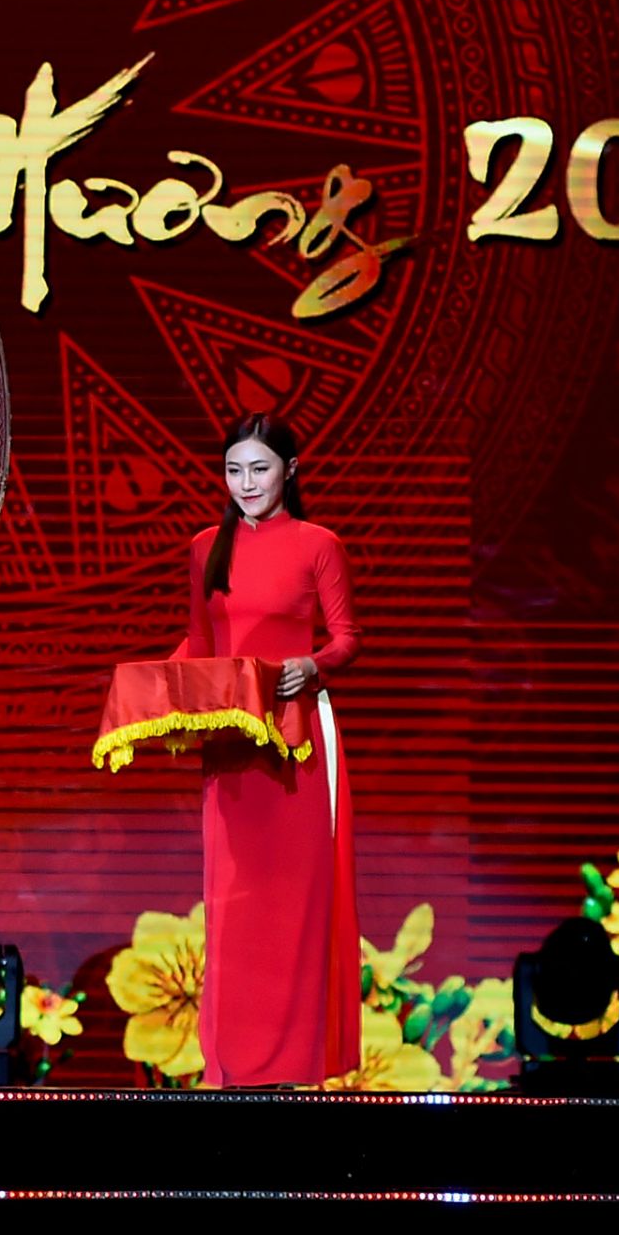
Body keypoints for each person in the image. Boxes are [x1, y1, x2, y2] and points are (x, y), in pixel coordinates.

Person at [173, 413, 362, 1087]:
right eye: (234, 470)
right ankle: (231, 1068)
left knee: (292, 906)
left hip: (296, 742)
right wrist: (158, 699)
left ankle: (291, 1068)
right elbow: (199, 644)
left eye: (259, 468)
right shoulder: (206, 547)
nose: (246, 483)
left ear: (291, 470)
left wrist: (313, 666)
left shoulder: (319, 545)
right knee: (231, 905)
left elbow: (346, 638)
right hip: (231, 744)